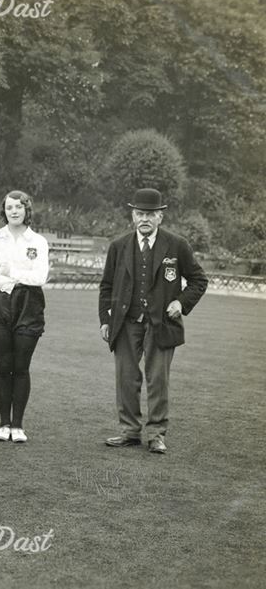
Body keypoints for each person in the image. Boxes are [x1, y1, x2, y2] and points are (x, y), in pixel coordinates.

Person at [99, 188, 207, 454]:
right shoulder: (118, 246)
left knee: (158, 380)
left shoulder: (177, 245)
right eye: (139, 213)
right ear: (132, 216)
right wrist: (105, 320)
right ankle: (129, 431)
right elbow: (106, 286)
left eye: (150, 214)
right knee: (126, 377)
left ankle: (156, 434)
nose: (144, 219)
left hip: (161, 324)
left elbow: (198, 280)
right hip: (125, 322)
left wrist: (180, 302)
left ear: (160, 217)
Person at [0, 190, 49, 443]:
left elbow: (40, 277)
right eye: (10, 207)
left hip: (28, 308)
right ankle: (4, 424)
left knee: (21, 367)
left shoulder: (38, 242)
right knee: (3, 366)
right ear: (4, 210)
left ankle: (18, 425)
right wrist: (20, 278)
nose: (14, 211)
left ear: (27, 209)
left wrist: (10, 270)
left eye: (19, 207)